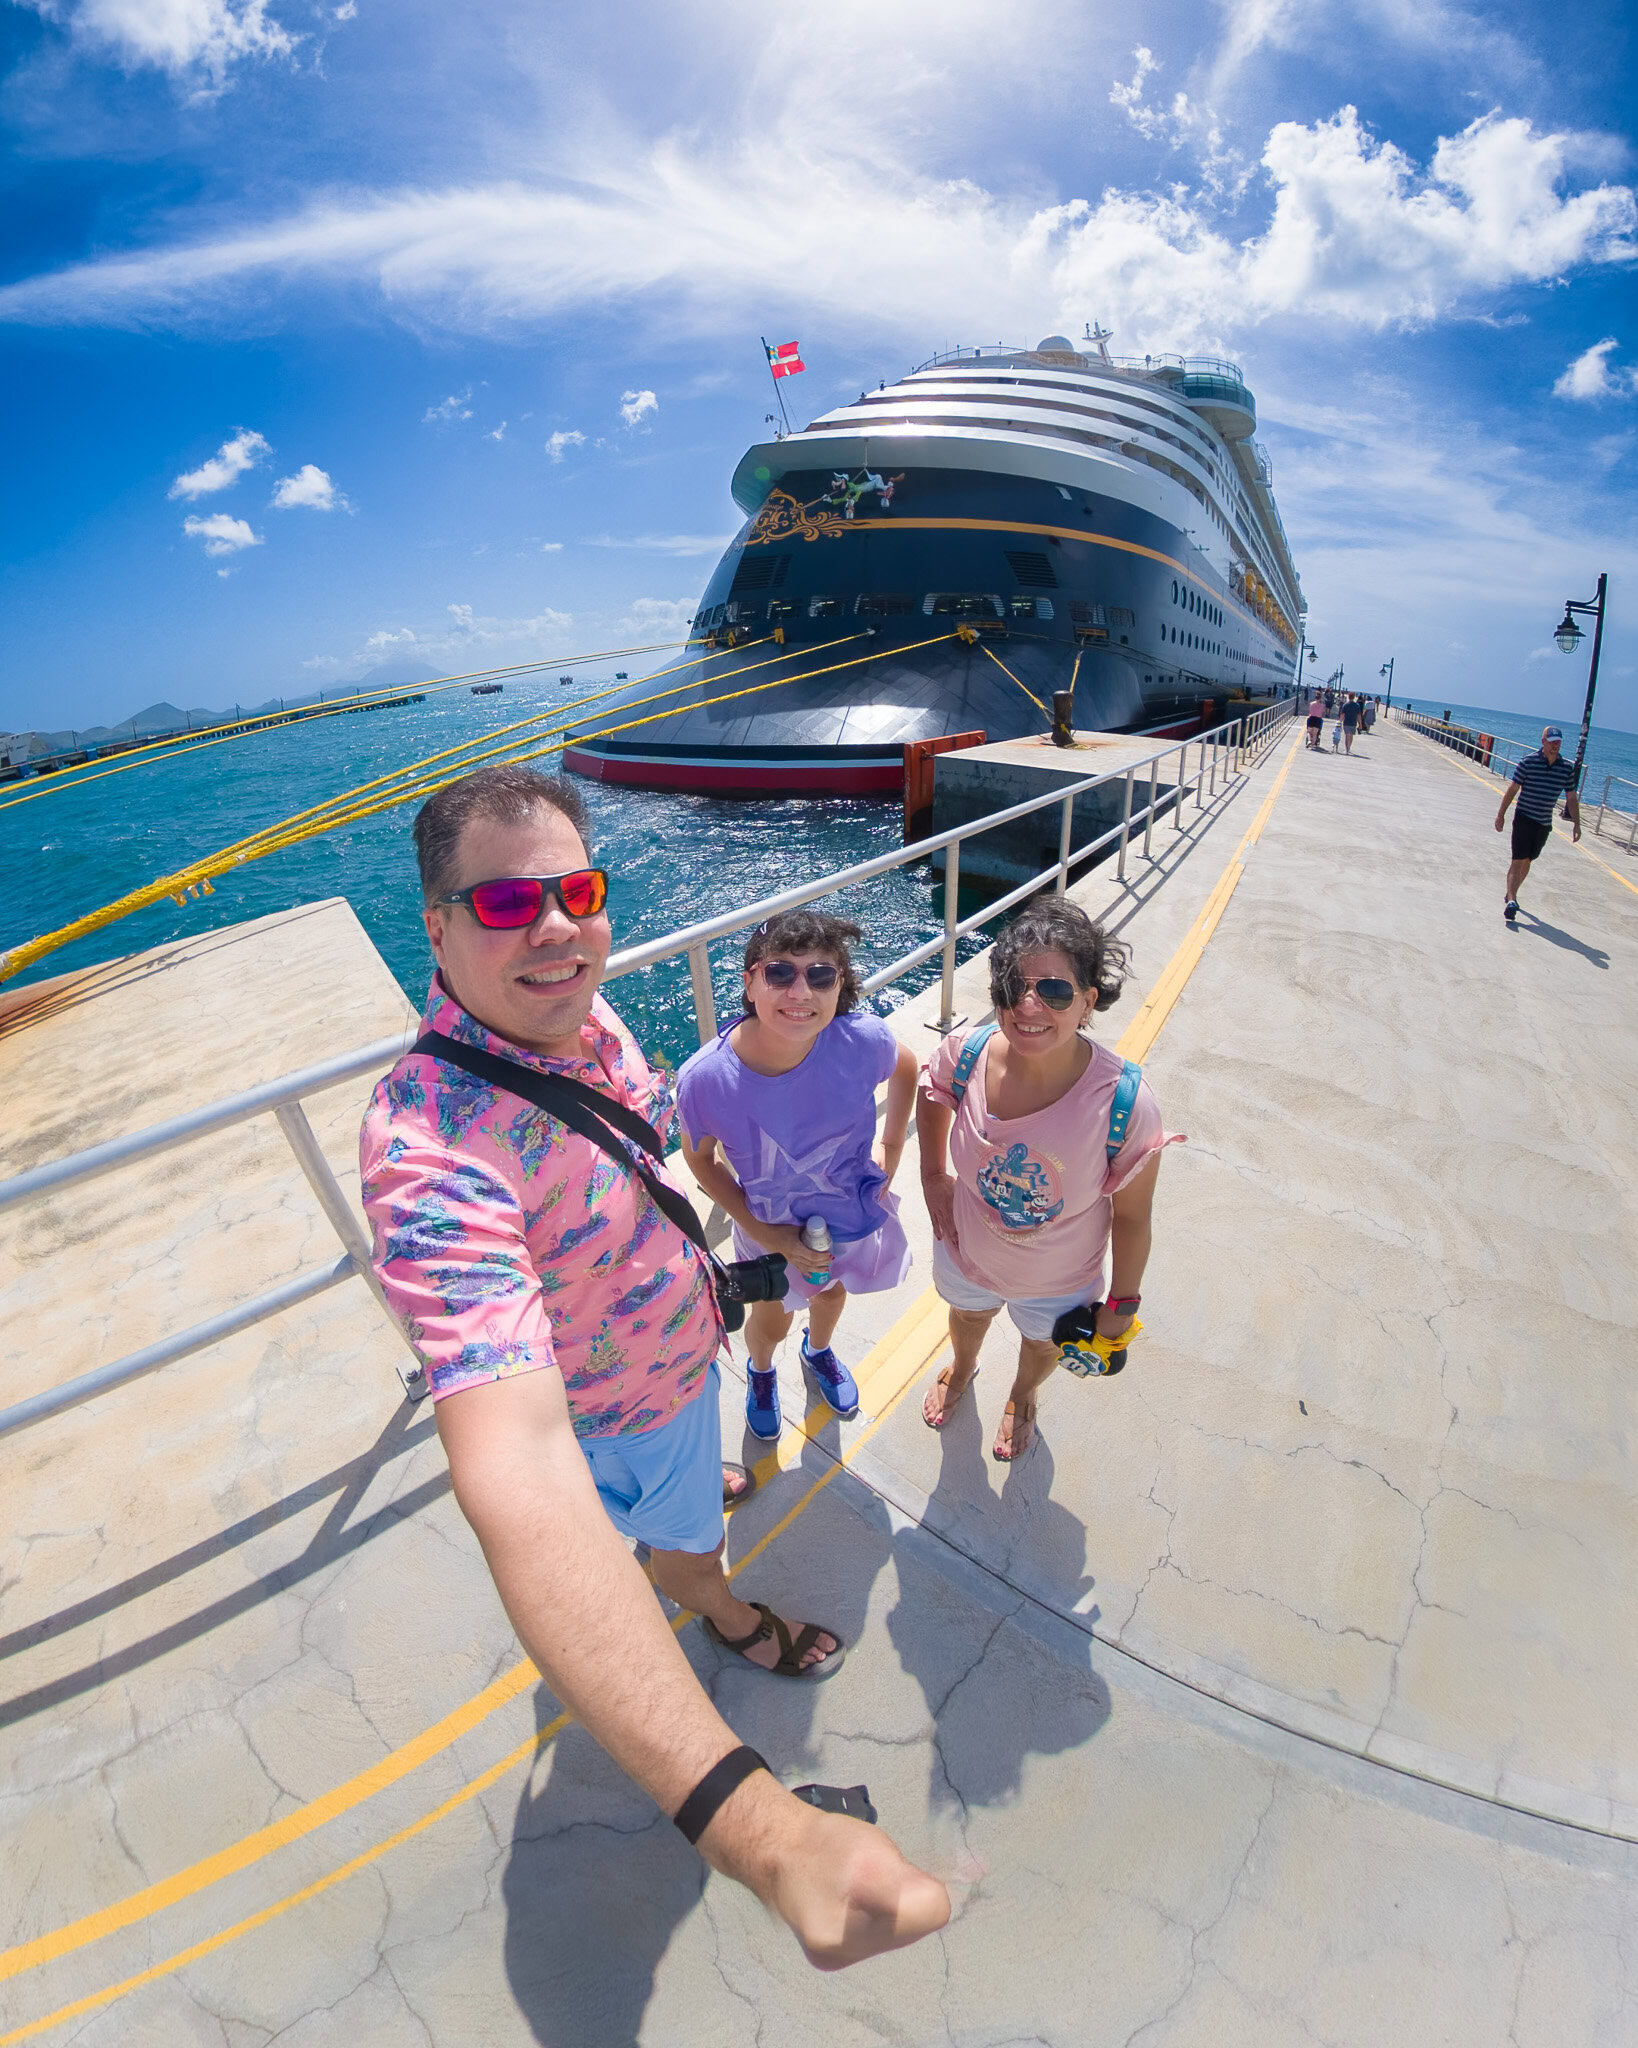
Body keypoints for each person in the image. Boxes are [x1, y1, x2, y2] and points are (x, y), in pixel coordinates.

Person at [359, 763, 948, 1965]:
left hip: (689, 1348)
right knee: (684, 1550)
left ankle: (686, 1530)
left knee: (690, 1493)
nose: (559, 925)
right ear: (436, 925)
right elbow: (516, 1467)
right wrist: (760, 1826)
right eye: (509, 904)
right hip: (631, 1408)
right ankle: (716, 1601)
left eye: (576, 889)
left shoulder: (584, 1013)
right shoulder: (426, 1148)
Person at [917, 900, 1179, 1462]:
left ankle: (1022, 1394)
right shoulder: (966, 1055)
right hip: (966, 1252)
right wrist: (934, 1176)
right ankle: (963, 1366)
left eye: (1055, 991)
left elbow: (1133, 1217)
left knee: (1042, 1342)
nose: (1029, 1004)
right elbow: (933, 1092)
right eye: (1013, 986)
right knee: (967, 1314)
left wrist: (1122, 1305)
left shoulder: (1124, 1104)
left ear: (1088, 1001)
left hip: (1060, 1280)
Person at [678, 909, 918, 1441]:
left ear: (840, 987)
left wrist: (892, 1149)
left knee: (832, 1294)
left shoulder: (863, 1040)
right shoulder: (706, 1080)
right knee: (772, 1316)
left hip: (845, 1219)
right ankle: (762, 1374)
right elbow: (699, 1161)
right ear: (750, 983)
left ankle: (820, 1351)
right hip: (766, 1228)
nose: (800, 992)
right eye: (780, 973)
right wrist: (765, 1234)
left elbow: (906, 1065)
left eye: (821, 975)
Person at [1495, 724, 1581, 923]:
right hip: (1524, 817)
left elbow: (1571, 797)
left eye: (1558, 742)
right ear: (1543, 742)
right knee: (1518, 859)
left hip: (1543, 823)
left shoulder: (1566, 768)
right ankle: (1512, 901)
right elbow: (1512, 789)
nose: (1555, 746)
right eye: (1552, 742)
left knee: (1527, 860)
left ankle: (1511, 893)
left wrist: (1577, 824)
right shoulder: (1528, 762)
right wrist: (1501, 815)